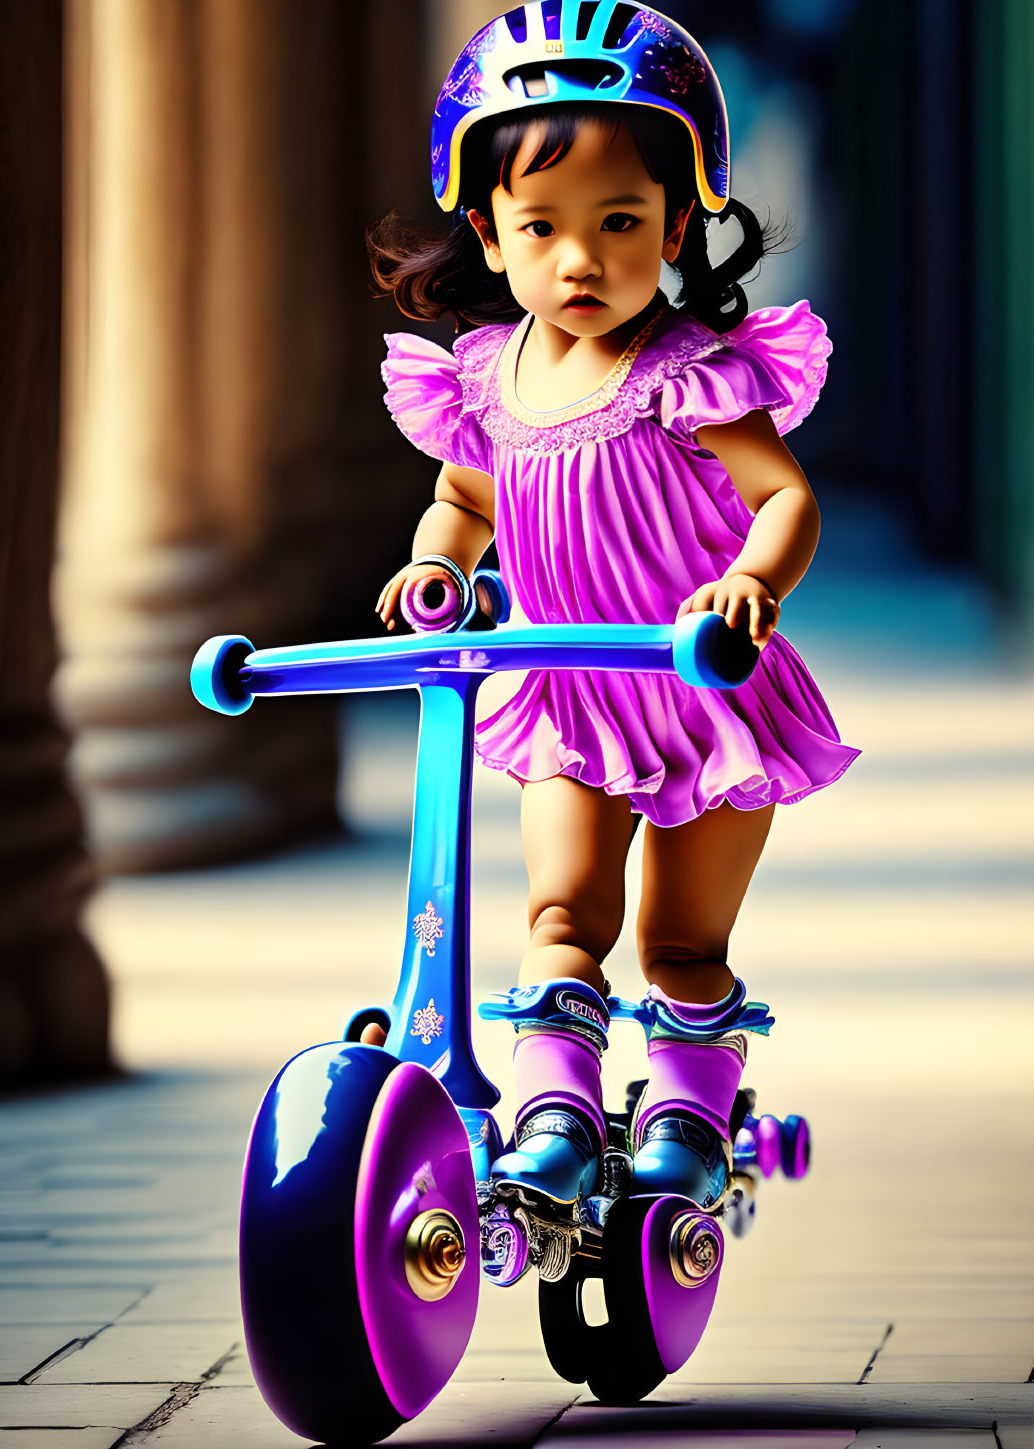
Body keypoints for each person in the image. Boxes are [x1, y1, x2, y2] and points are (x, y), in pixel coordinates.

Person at [366, 1, 860, 1213]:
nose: (580, 260)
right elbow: (463, 501)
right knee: (560, 911)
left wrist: (753, 579)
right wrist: (439, 562)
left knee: (679, 944)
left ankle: (690, 1124)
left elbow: (785, 499)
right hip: (569, 690)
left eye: (621, 223)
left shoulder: (692, 372)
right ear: (488, 233)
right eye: (543, 227)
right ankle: (556, 1118)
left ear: (681, 223)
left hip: (702, 691)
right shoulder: (485, 377)